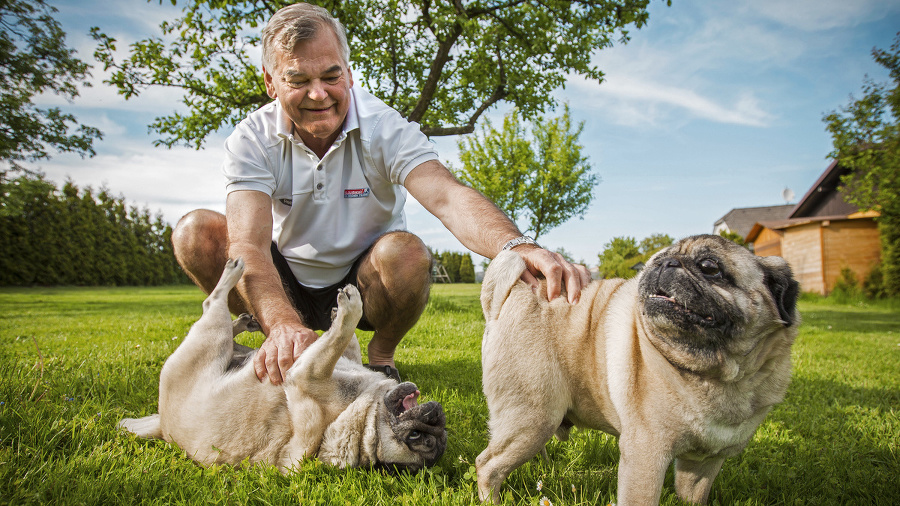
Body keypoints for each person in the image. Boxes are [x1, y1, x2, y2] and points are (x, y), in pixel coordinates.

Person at [171, 3, 591, 386]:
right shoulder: (251, 139)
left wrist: (516, 246)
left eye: (331, 76)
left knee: (407, 253)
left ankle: (382, 355)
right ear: (271, 82)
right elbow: (248, 244)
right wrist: (281, 321)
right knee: (196, 232)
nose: (319, 94)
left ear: (349, 74)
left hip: (364, 280)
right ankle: (279, 341)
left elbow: (447, 196)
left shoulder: (384, 128)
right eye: (298, 80)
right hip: (285, 278)